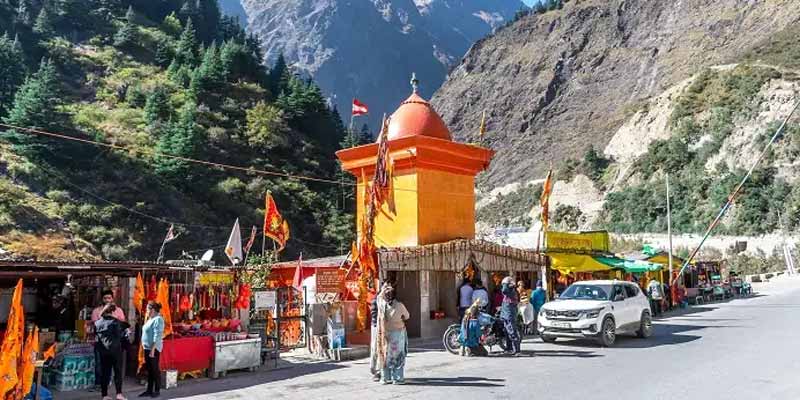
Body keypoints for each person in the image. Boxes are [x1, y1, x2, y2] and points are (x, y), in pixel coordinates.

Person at [89, 290, 126, 393]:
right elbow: (95, 325)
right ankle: (99, 384)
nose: (107, 300)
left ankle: (109, 385)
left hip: (114, 344)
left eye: (109, 298)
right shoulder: (96, 311)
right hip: (100, 343)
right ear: (102, 299)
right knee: (99, 364)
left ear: (112, 298)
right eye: (105, 298)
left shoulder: (118, 311)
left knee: (115, 367)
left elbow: (123, 323)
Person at [94, 304, 130, 400]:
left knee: (105, 373)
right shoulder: (115, 322)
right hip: (115, 351)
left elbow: (96, 336)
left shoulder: (97, 323)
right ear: (113, 312)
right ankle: (119, 394)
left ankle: (104, 395)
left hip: (103, 351)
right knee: (117, 372)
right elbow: (121, 334)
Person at [377, 287, 409, 385]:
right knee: (398, 356)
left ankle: (386, 378)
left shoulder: (382, 305)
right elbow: (407, 316)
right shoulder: (400, 305)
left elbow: (379, 297)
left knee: (385, 355)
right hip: (398, 334)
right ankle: (398, 378)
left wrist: (383, 289)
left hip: (385, 334)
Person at [140, 302, 165, 398]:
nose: (146, 311)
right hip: (147, 347)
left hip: (153, 348)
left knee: (154, 369)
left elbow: (157, 335)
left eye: (147, 309)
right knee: (149, 369)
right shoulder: (150, 319)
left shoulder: (158, 319)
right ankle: (149, 390)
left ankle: (157, 390)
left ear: (152, 310)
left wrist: (153, 349)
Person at [369, 283, 390, 382]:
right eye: (385, 287)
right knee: (376, 348)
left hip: (384, 327)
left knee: (383, 349)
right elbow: (375, 314)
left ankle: (381, 370)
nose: (387, 290)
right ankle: (375, 371)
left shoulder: (385, 300)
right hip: (377, 327)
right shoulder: (377, 300)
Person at [500, 277, 521, 356]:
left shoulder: (511, 291)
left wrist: (507, 284)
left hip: (510, 315)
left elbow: (504, 290)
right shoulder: (509, 293)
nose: (503, 286)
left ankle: (517, 350)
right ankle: (509, 348)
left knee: (512, 332)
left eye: (504, 285)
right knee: (507, 333)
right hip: (505, 315)